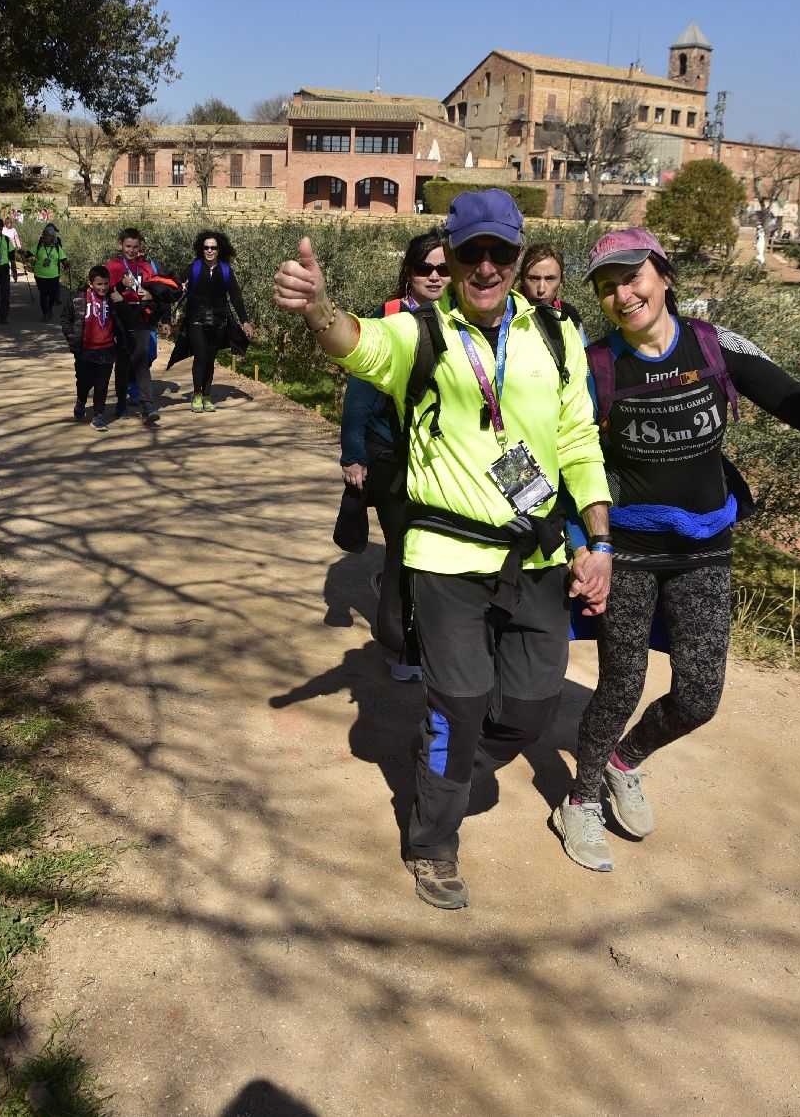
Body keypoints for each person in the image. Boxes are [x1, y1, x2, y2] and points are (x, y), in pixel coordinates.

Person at [274, 189, 612, 910]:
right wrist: (318, 309)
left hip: (538, 556)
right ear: (453, 259)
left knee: (528, 709)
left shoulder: (555, 338)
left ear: (520, 258)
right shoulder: (420, 332)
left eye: (501, 253)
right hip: (446, 557)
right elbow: (354, 340)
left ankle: (442, 758)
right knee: (458, 705)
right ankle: (432, 839)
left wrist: (600, 538)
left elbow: (581, 442)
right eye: (471, 253)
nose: (486, 266)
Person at [557, 226, 800, 873]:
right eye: (607, 286)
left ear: (663, 275)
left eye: (632, 277)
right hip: (627, 548)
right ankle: (577, 800)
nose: (622, 293)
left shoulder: (717, 348)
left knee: (699, 694)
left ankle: (623, 762)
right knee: (621, 682)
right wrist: (583, 543)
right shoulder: (596, 366)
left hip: (705, 548)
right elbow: (568, 460)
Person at [339, 229, 449, 683]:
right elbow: (359, 393)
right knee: (403, 551)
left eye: (445, 268)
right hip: (391, 456)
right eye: (426, 268)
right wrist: (353, 453)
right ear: (409, 271)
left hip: (442, 460)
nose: (436, 276)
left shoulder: (464, 320)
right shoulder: (386, 319)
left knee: (433, 555)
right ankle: (400, 649)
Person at [169, 230, 254, 413]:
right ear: (202, 249)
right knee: (201, 356)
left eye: (213, 248)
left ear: (219, 250)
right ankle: (197, 394)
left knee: (210, 359)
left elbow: (236, 297)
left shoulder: (225, 270)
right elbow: (176, 290)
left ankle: (207, 396)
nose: (209, 251)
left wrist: (245, 321)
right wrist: (179, 288)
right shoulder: (194, 268)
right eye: (206, 247)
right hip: (196, 320)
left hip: (219, 320)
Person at [106, 228, 168, 424]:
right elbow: (102, 291)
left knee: (141, 362)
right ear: (120, 245)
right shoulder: (113, 266)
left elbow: (159, 292)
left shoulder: (147, 268)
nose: (131, 250)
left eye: (135, 247)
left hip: (142, 317)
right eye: (127, 246)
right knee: (123, 362)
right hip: (120, 318)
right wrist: (121, 286)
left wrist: (151, 296)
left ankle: (147, 407)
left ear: (140, 246)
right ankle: (121, 404)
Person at [62, 266, 125, 431]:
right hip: (85, 350)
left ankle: (98, 415)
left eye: (105, 284)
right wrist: (71, 336)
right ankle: (81, 400)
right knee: (84, 382)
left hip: (107, 350)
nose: (103, 288)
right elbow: (66, 318)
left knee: (102, 385)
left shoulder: (113, 299)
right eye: (99, 284)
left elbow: (124, 319)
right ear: (91, 284)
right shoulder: (78, 299)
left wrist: (122, 301)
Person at [518, 244, 583, 331]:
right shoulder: (506, 314)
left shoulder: (570, 316)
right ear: (522, 279)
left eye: (550, 279)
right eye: (534, 278)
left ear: (561, 280)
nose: (541, 289)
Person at [32, 223, 68, 320]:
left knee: (53, 295)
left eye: (47, 235)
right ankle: (45, 313)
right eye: (44, 235)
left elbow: (63, 258)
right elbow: (29, 253)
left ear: (52, 237)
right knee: (43, 295)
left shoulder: (57, 247)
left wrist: (67, 264)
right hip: (40, 275)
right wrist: (23, 252)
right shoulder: (39, 245)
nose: (45, 237)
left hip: (53, 276)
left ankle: (49, 308)